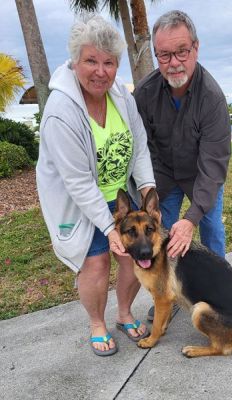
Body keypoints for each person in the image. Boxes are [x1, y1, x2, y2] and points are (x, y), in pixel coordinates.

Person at [36, 14, 155, 356]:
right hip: (81, 201)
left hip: (121, 193)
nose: (100, 71)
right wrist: (108, 227)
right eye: (90, 61)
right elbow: (77, 182)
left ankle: (123, 313)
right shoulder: (61, 111)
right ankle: (97, 324)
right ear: (74, 62)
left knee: (136, 256)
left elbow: (139, 144)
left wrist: (146, 189)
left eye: (109, 62)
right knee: (97, 263)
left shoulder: (121, 94)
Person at [134, 10, 231, 320]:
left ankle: (219, 293)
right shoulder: (145, 93)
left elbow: (214, 163)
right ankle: (168, 294)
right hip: (164, 176)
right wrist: (148, 189)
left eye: (181, 51)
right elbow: (140, 147)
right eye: (164, 55)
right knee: (159, 236)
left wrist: (192, 219)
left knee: (211, 230)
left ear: (196, 48)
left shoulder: (212, 98)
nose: (173, 62)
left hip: (201, 176)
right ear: (155, 55)